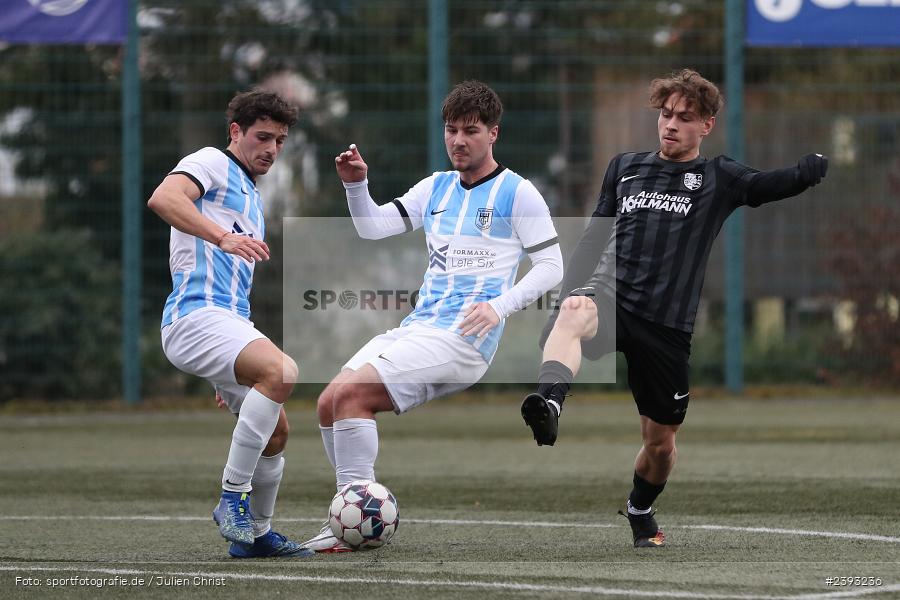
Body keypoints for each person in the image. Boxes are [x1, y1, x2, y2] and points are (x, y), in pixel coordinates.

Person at [520, 69, 828, 548]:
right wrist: (566, 296)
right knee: (574, 311)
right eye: (666, 114)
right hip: (612, 300)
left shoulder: (718, 177)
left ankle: (640, 508)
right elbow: (592, 238)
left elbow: (766, 185)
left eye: (685, 118)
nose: (671, 124)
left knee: (659, 443)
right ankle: (551, 402)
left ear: (706, 125)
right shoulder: (625, 167)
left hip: (666, 326)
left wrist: (806, 173)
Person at [303, 80, 564, 552]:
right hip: (419, 327)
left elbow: (552, 266)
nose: (459, 140)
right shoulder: (436, 186)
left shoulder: (517, 193)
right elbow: (372, 227)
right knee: (328, 401)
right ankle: (350, 517)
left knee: (354, 396)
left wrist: (498, 306)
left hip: (464, 339)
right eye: (451, 130)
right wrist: (356, 185)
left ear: (493, 134)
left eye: (471, 130)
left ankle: (356, 525)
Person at [148, 89, 312, 558]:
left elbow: (234, 293)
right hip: (193, 316)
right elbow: (164, 198)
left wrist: (230, 368)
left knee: (276, 431)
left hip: (225, 321)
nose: (271, 150)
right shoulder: (212, 163)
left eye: (280, 141)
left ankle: (255, 536)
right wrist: (222, 236)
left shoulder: (251, 196)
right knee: (282, 371)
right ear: (235, 132)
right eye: (263, 137)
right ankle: (232, 497)